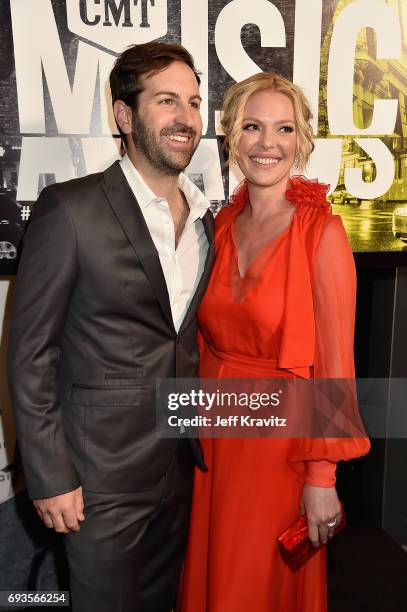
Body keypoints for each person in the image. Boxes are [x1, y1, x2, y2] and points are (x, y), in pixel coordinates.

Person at [7, 42, 214, 612]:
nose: (186, 119)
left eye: (194, 103)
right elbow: (30, 355)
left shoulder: (204, 220)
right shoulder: (69, 210)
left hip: (177, 469)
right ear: (124, 116)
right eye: (167, 101)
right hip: (97, 480)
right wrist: (50, 475)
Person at [178, 72, 370, 612]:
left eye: (283, 129)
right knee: (212, 577)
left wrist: (322, 475)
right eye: (252, 127)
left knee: (253, 586)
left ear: (302, 140)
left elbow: (335, 366)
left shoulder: (321, 235)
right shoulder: (218, 225)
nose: (268, 143)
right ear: (232, 138)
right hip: (213, 436)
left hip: (279, 450)